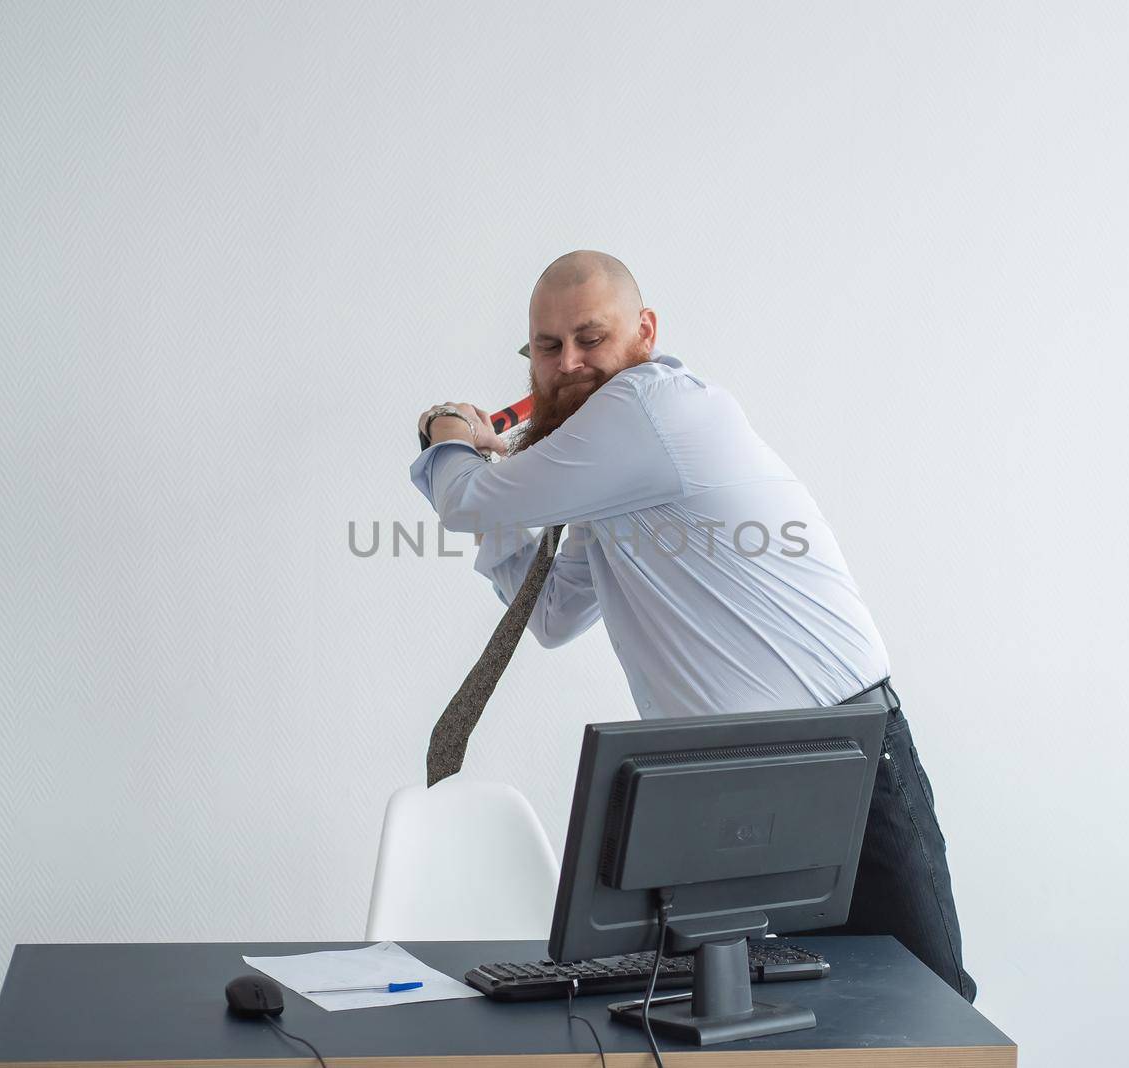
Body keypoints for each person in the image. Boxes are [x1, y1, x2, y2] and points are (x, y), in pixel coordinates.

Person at [409, 250, 977, 1002]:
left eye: (591, 337)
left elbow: (470, 503)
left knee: (924, 1020)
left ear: (644, 332)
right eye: (547, 347)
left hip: (835, 760)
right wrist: (506, 497)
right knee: (781, 1029)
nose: (569, 363)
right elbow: (547, 614)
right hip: (729, 786)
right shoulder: (617, 484)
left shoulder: (646, 407)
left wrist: (446, 435)